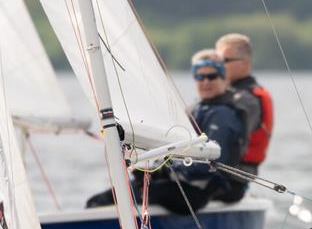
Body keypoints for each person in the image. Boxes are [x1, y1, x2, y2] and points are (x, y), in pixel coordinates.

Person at [85, 50, 248, 215]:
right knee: (99, 200)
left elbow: (210, 163)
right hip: (178, 183)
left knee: (137, 194)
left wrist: (166, 169)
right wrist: (152, 167)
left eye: (212, 76)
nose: (205, 81)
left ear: (223, 77)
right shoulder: (196, 109)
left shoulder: (224, 115)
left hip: (199, 191)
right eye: (200, 77)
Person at [215, 33, 274, 175]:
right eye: (216, 60)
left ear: (245, 63)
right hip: (218, 168)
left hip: (234, 174)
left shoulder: (248, 100)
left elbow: (230, 139)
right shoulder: (226, 94)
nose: (218, 65)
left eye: (224, 60)